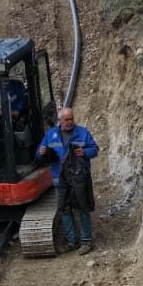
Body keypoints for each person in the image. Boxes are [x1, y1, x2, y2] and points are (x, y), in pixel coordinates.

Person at [36, 107, 101, 254]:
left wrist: (85, 152)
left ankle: (86, 241)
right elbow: (39, 155)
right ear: (60, 120)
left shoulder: (82, 133)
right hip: (60, 179)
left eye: (72, 118)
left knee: (83, 208)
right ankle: (72, 241)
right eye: (67, 119)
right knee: (64, 209)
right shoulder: (51, 135)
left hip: (79, 178)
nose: (70, 122)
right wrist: (41, 153)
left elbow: (95, 150)